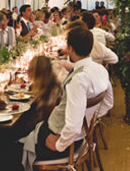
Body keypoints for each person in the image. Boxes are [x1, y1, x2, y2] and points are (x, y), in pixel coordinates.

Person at [33, 27, 113, 160]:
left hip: (67, 143)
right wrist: (88, 121)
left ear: (70, 49)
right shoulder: (100, 70)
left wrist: (60, 145)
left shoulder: (78, 80)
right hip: (82, 136)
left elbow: (73, 127)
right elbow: (109, 103)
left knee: (22, 140)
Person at [28, 55, 62, 122]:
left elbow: (47, 117)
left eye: (30, 68)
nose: (27, 70)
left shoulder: (50, 91)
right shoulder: (49, 83)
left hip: (45, 127)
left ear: (38, 71)